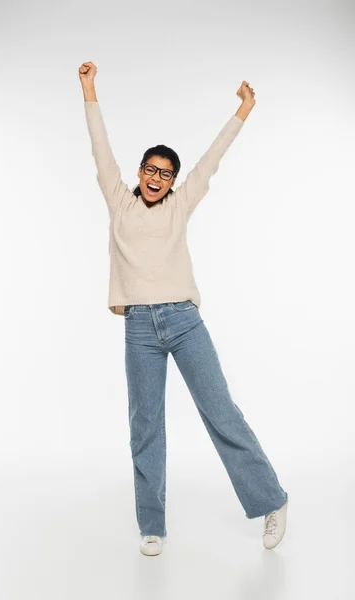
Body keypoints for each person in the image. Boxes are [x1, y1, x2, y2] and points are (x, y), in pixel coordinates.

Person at [79, 61, 288, 556]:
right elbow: (99, 147)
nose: (156, 178)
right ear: (139, 172)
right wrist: (88, 89)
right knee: (145, 424)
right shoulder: (119, 201)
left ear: (173, 182)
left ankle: (271, 500)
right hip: (138, 329)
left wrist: (244, 110)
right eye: (150, 169)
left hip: (184, 321)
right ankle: (152, 523)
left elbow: (211, 159)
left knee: (221, 413)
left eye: (165, 174)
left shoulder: (180, 204)